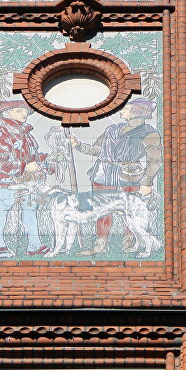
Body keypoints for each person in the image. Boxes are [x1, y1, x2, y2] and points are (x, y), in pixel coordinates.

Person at [70, 96, 162, 256]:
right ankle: (101, 244)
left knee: (130, 209)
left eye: (126, 108)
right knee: (101, 210)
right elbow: (97, 150)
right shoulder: (111, 130)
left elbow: (155, 160)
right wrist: (78, 146)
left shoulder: (150, 134)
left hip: (129, 175)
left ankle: (130, 240)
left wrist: (146, 182)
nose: (122, 111)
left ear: (137, 112)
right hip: (103, 174)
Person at [0, 98, 53, 259]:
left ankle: (34, 245)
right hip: (8, 177)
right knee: (4, 206)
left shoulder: (26, 133)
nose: (24, 114)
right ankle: (0, 246)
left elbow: (33, 156)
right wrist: (23, 165)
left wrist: (47, 161)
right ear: (7, 113)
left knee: (30, 208)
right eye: (19, 111)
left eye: (25, 112)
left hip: (28, 179)